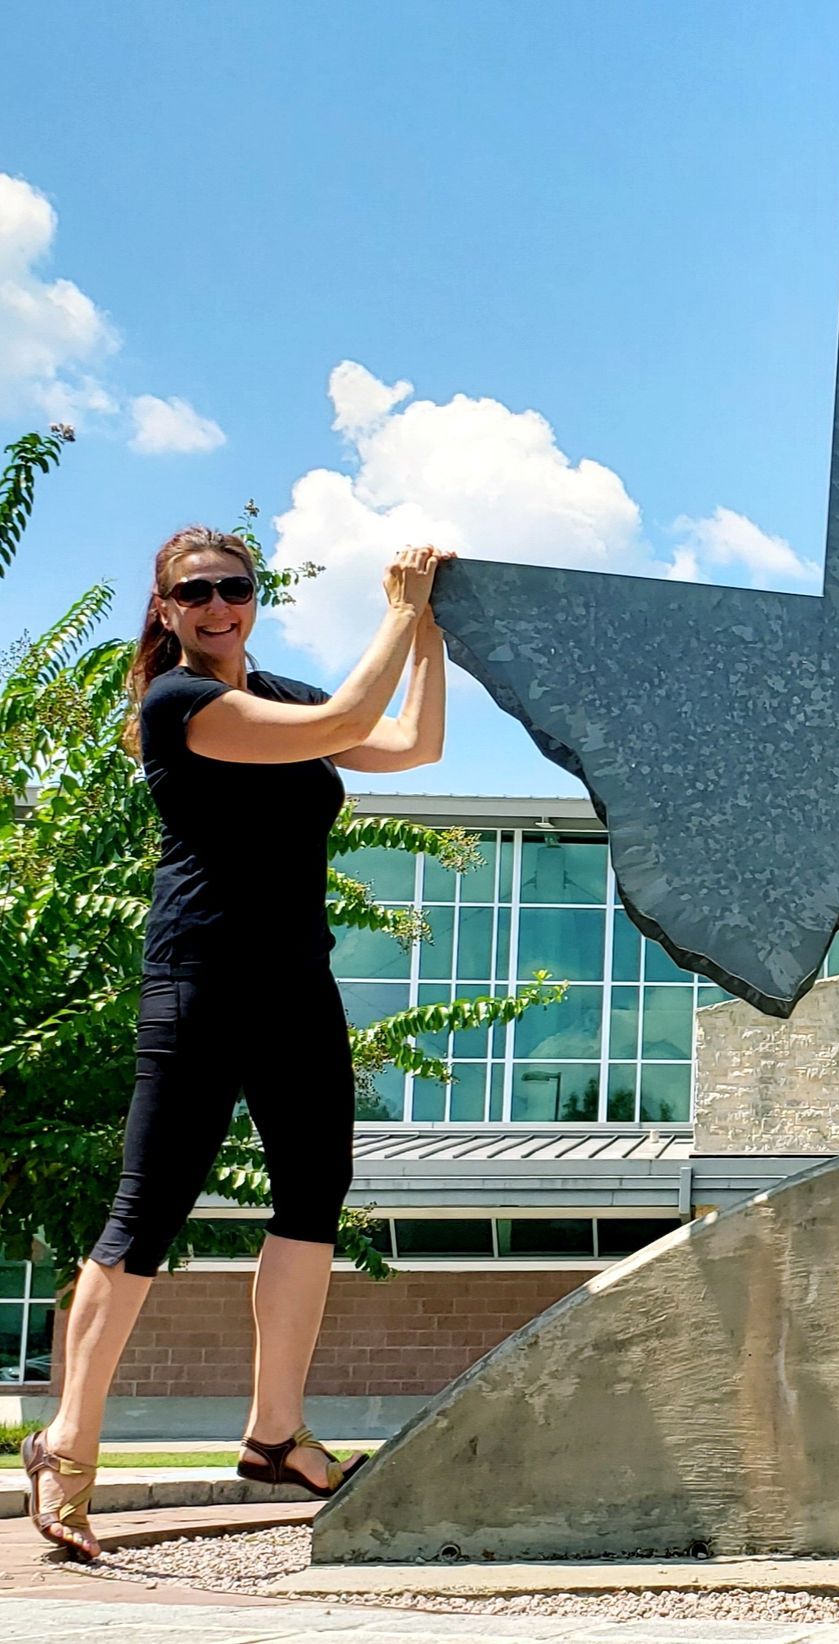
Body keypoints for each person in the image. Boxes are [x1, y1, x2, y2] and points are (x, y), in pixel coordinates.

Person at [23, 527, 455, 1559]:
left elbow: (408, 744)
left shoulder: (283, 693)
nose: (220, 605)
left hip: (297, 985)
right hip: (202, 983)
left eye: (235, 587)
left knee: (314, 1199)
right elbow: (357, 714)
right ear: (165, 608)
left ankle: (273, 1433)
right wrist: (399, 611)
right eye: (197, 591)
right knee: (149, 1208)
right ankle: (68, 1447)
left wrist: (431, 629)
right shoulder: (178, 705)